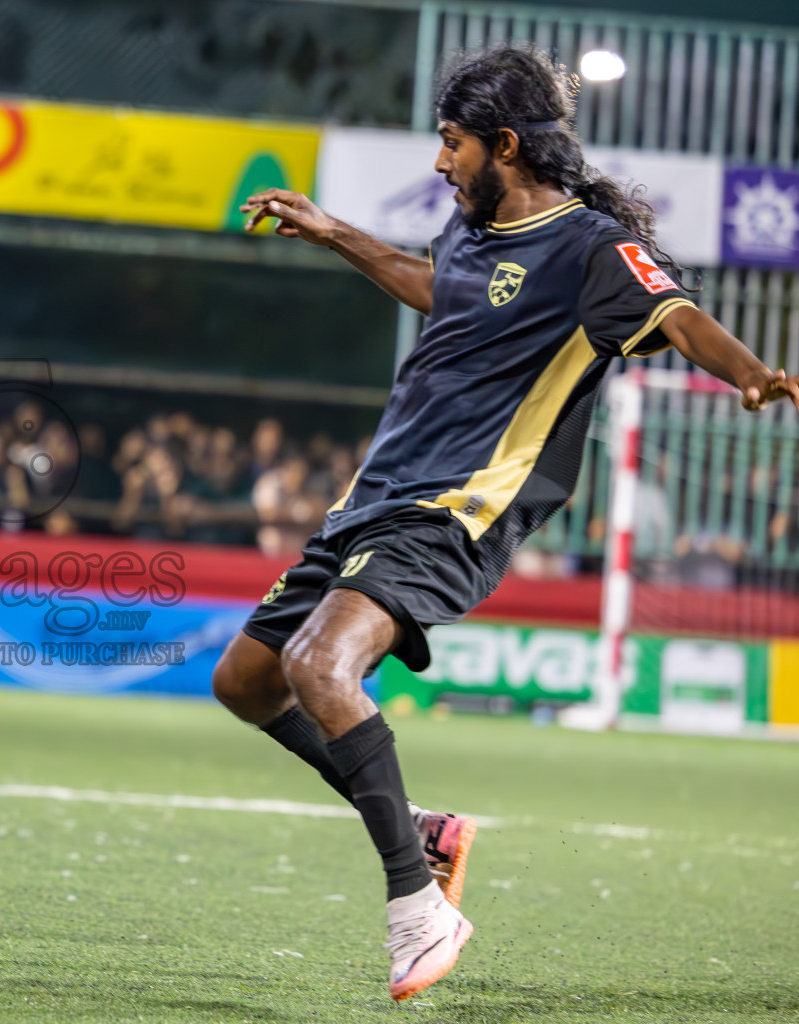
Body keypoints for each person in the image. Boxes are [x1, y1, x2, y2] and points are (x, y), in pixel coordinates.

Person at [214, 45, 799, 1003]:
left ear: (507, 144)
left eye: (452, 142)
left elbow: (679, 315)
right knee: (245, 681)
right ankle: (426, 830)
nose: (440, 161)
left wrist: (751, 375)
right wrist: (335, 233)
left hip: (460, 507)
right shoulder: (471, 231)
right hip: (374, 497)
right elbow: (436, 288)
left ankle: (419, 905)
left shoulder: (592, 248)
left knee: (321, 666)